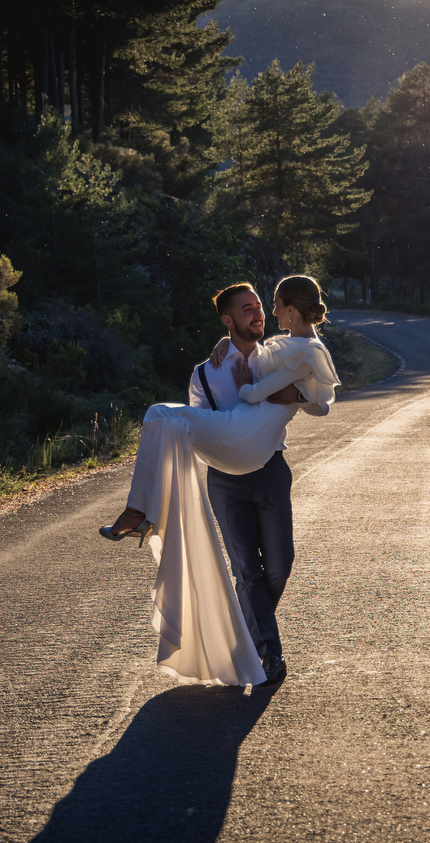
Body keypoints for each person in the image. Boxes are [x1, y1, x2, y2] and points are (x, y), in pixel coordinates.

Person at [99, 275, 339, 688]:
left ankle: (245, 632)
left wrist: (296, 397)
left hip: (269, 467)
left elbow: (321, 401)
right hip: (226, 475)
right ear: (227, 320)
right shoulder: (205, 372)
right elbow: (196, 429)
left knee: (279, 567)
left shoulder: (276, 353)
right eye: (248, 309)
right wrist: (231, 359)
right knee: (247, 569)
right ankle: (268, 654)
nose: (260, 314)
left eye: (262, 307)